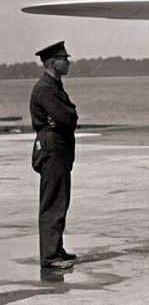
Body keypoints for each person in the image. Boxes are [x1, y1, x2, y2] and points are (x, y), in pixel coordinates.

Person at [29, 41, 79, 270]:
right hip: (52, 147)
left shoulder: (54, 86)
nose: (68, 62)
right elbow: (65, 116)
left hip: (59, 146)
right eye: (64, 59)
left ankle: (56, 249)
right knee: (53, 202)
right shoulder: (45, 89)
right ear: (52, 62)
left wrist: (67, 116)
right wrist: (66, 116)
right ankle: (50, 257)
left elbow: (67, 116)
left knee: (60, 200)